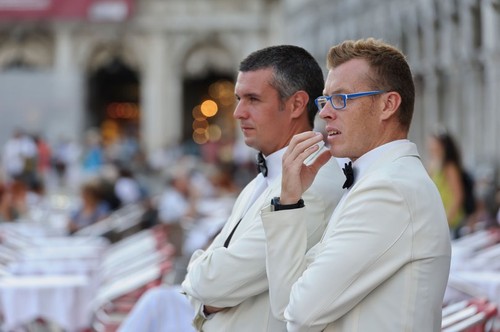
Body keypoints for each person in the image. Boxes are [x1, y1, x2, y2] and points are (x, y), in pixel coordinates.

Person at [260, 38, 452, 331]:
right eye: (325, 99)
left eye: (342, 99)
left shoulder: (389, 191)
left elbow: (298, 313)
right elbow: (288, 306)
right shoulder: (378, 181)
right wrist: (289, 200)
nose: (324, 113)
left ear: (388, 104)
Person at [181, 45, 345, 332]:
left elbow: (214, 283)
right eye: (238, 99)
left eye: (253, 100)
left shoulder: (314, 183)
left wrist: (201, 283)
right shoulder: (262, 179)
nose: (238, 113)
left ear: (296, 105)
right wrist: (204, 289)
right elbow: (210, 286)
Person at [427, 129, 469, 238]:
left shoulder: (449, 167)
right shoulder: (433, 165)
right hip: (440, 220)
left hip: (452, 222)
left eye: (434, 143)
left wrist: (446, 221)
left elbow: (458, 196)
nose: (430, 146)